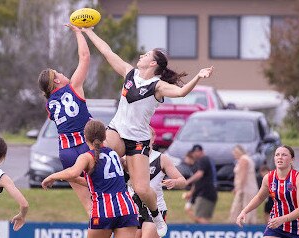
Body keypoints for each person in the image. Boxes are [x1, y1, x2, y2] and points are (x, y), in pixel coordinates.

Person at [81, 26, 214, 236]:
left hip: (138, 140)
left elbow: (180, 92)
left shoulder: (157, 86)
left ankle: (156, 216)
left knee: (142, 188)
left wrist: (198, 76)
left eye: (146, 55)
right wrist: (87, 32)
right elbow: (107, 52)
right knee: (101, 157)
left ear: (153, 63)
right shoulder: (129, 73)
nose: (141, 56)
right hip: (117, 130)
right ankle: (101, 204)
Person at [42, 120, 138, 238]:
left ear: (85, 137)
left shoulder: (87, 157)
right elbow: (100, 183)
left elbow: (73, 172)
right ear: (104, 136)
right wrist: (75, 180)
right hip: (127, 209)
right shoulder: (113, 153)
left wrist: (52, 176)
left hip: (104, 210)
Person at [37, 23, 92, 213]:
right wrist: (78, 33)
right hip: (87, 144)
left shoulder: (49, 104)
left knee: (88, 205)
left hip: (66, 152)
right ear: (57, 81)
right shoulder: (74, 86)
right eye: (59, 73)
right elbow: (85, 57)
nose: (63, 73)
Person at [236, 145, 299, 238]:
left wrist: (282, 219)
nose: (280, 157)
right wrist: (244, 211)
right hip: (276, 225)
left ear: (292, 159)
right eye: (277, 155)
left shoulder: (298, 179)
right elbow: (259, 197)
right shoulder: (269, 178)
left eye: (284, 155)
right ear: (274, 158)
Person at [130, 127, 187, 238]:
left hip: (155, 209)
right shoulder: (130, 157)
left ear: (153, 138)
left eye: (147, 136)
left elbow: (183, 181)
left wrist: (174, 182)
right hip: (134, 210)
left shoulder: (161, 158)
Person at [184, 144, 217, 224]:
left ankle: (208, 232)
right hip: (205, 194)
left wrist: (187, 182)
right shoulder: (203, 161)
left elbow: (199, 174)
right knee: (199, 218)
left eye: (194, 152)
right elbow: (197, 182)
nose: (193, 155)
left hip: (205, 194)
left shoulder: (203, 159)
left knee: (201, 219)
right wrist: (191, 193)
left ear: (199, 151)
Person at [229, 145, 258, 224]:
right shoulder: (247, 158)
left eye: (234, 153)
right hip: (249, 188)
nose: (234, 155)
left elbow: (243, 176)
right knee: (247, 210)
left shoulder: (243, 160)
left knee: (243, 209)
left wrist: (238, 188)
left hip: (246, 189)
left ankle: (244, 228)